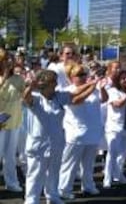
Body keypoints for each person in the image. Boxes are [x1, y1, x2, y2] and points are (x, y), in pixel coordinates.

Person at [22, 70, 99, 204]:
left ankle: (52, 197)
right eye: (54, 82)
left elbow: (75, 93)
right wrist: (30, 86)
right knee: (35, 175)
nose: (57, 84)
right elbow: (25, 97)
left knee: (54, 172)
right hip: (38, 144)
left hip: (56, 142)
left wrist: (91, 84)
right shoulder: (36, 98)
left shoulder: (58, 96)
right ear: (46, 84)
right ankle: (31, 200)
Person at [58, 63, 108, 199]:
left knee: (88, 163)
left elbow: (104, 99)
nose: (83, 77)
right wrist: (93, 85)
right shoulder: (68, 90)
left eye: (84, 74)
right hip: (76, 133)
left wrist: (101, 88)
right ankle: (64, 189)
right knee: (70, 164)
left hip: (92, 131)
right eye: (79, 75)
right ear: (71, 78)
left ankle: (88, 185)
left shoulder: (94, 88)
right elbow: (77, 100)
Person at [103, 71, 126, 188]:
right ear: (117, 81)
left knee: (122, 154)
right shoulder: (112, 91)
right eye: (123, 79)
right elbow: (117, 104)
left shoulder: (125, 92)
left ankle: (118, 175)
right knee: (112, 153)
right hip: (114, 127)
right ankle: (107, 179)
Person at [0, 49, 25, 192]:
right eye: (5, 60)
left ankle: (12, 182)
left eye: (9, 59)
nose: (8, 62)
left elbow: (25, 94)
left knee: (10, 155)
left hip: (14, 121)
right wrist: (3, 77)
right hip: (0, 121)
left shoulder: (18, 78)